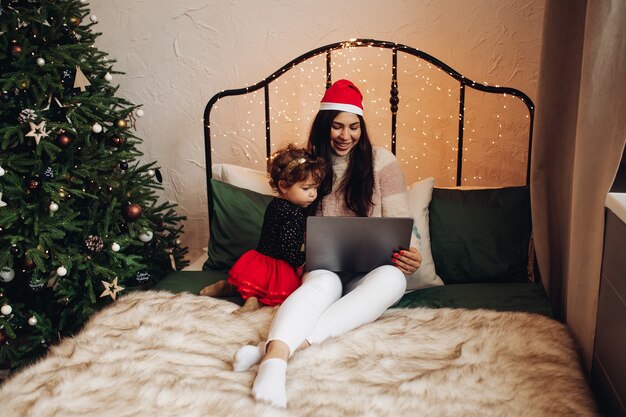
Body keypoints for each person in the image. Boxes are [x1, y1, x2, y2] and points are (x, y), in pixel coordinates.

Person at [232, 79, 423, 407]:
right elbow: (289, 217)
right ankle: (275, 360)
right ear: (324, 126)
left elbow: (401, 222)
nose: (345, 136)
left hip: (372, 268)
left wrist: (412, 253)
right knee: (322, 283)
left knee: (393, 280)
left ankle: (272, 351)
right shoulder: (308, 166)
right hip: (324, 266)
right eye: (336, 126)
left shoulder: (383, 162)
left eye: (353, 127)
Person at [199, 145, 326, 313]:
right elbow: (287, 248)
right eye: (306, 188)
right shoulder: (294, 213)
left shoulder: (275, 205)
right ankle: (254, 303)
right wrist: (302, 261)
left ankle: (228, 287)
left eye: (315, 188)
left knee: (248, 284)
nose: (313, 194)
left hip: (259, 262)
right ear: (283, 186)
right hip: (280, 267)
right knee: (278, 295)